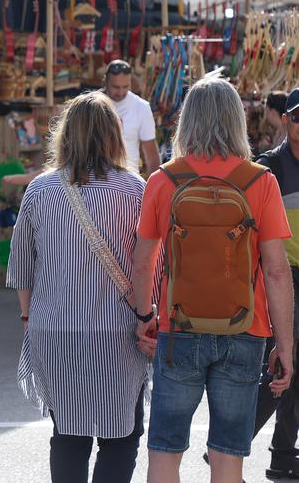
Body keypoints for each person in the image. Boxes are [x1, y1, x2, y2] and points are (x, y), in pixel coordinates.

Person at [130, 76, 295, 483]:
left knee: (165, 453)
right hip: (245, 329)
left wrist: (144, 314)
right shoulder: (261, 181)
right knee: (227, 457)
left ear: (187, 123)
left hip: (178, 327)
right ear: (236, 121)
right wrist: (285, 346)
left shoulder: (163, 180)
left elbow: (143, 260)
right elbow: (276, 271)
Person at [7, 92, 148, 482]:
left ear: (65, 136)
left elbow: (21, 268)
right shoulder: (136, 191)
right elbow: (150, 265)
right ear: (113, 135)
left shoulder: (40, 190)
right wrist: (149, 316)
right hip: (118, 333)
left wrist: (27, 316)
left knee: (67, 435)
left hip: (53, 329)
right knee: (121, 437)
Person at [252, 87, 299, 479]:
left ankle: (283, 455)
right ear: (285, 120)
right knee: (281, 366)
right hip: (282, 277)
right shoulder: (269, 168)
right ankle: (230, 442)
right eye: (297, 117)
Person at [102, 59, 159, 176]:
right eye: (116, 87)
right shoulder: (92, 105)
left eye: (125, 86)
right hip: (96, 180)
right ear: (106, 82)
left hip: (129, 180)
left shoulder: (141, 107)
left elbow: (151, 155)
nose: (121, 92)